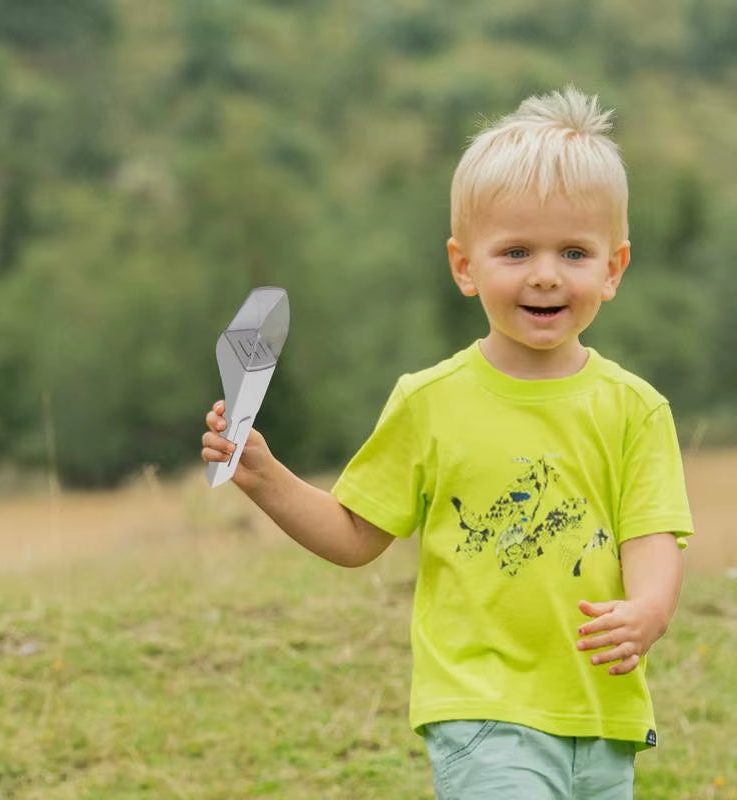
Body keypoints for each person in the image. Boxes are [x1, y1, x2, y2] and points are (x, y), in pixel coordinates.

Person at [200, 86, 694, 800]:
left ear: (613, 269)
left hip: (602, 715)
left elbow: (653, 535)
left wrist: (649, 611)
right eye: (516, 251)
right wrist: (267, 476)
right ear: (465, 266)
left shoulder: (636, 409)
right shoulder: (429, 401)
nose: (546, 273)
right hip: (481, 712)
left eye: (575, 252)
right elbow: (354, 535)